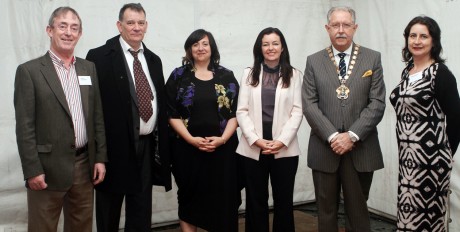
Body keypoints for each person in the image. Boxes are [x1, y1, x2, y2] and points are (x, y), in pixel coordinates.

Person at [14, 7, 107, 232]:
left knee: (81, 226)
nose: (68, 32)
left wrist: (100, 158)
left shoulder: (88, 68)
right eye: (62, 26)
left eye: (74, 28)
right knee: (42, 228)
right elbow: (24, 127)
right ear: (50, 30)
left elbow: (97, 117)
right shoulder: (30, 72)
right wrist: (32, 170)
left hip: (84, 166)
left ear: (80, 34)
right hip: (47, 169)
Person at [85, 3, 172, 232]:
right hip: (113, 150)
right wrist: (98, 154)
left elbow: (159, 102)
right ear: (119, 25)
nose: (136, 28)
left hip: (145, 147)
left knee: (141, 210)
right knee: (109, 211)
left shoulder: (153, 60)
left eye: (140, 23)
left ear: (146, 26)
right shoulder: (99, 57)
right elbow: (92, 109)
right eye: (130, 23)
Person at [302, 6, 386, 232]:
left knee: (357, 212)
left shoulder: (372, 58)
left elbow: (377, 103)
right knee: (326, 212)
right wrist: (332, 136)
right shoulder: (314, 61)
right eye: (335, 25)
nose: (341, 30)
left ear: (355, 28)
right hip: (323, 147)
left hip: (361, 147)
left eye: (346, 25)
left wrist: (351, 136)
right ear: (327, 28)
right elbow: (309, 104)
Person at [165, 29, 241, 232]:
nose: (200, 48)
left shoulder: (226, 76)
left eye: (205, 44)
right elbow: (171, 113)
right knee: (190, 198)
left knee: (222, 200)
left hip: (222, 152)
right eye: (196, 44)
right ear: (189, 49)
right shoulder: (178, 76)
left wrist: (223, 139)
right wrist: (191, 139)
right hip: (187, 151)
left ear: (212, 47)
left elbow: (236, 112)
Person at [389, 16, 460, 231]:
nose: (417, 41)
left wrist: (445, 153)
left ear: (434, 41)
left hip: (431, 163)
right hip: (408, 161)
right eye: (412, 36)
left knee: (426, 222)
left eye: (423, 36)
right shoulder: (407, 72)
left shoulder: (440, 74)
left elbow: (457, 118)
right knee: (408, 217)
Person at [236, 27, 303, 232]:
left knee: (284, 201)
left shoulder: (295, 75)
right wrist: (255, 139)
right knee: (256, 200)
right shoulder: (249, 74)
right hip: (253, 148)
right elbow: (241, 111)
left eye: (275, 43)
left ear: (282, 47)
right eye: (266, 44)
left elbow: (297, 112)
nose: (270, 48)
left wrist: (281, 141)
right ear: (260, 48)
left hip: (284, 148)